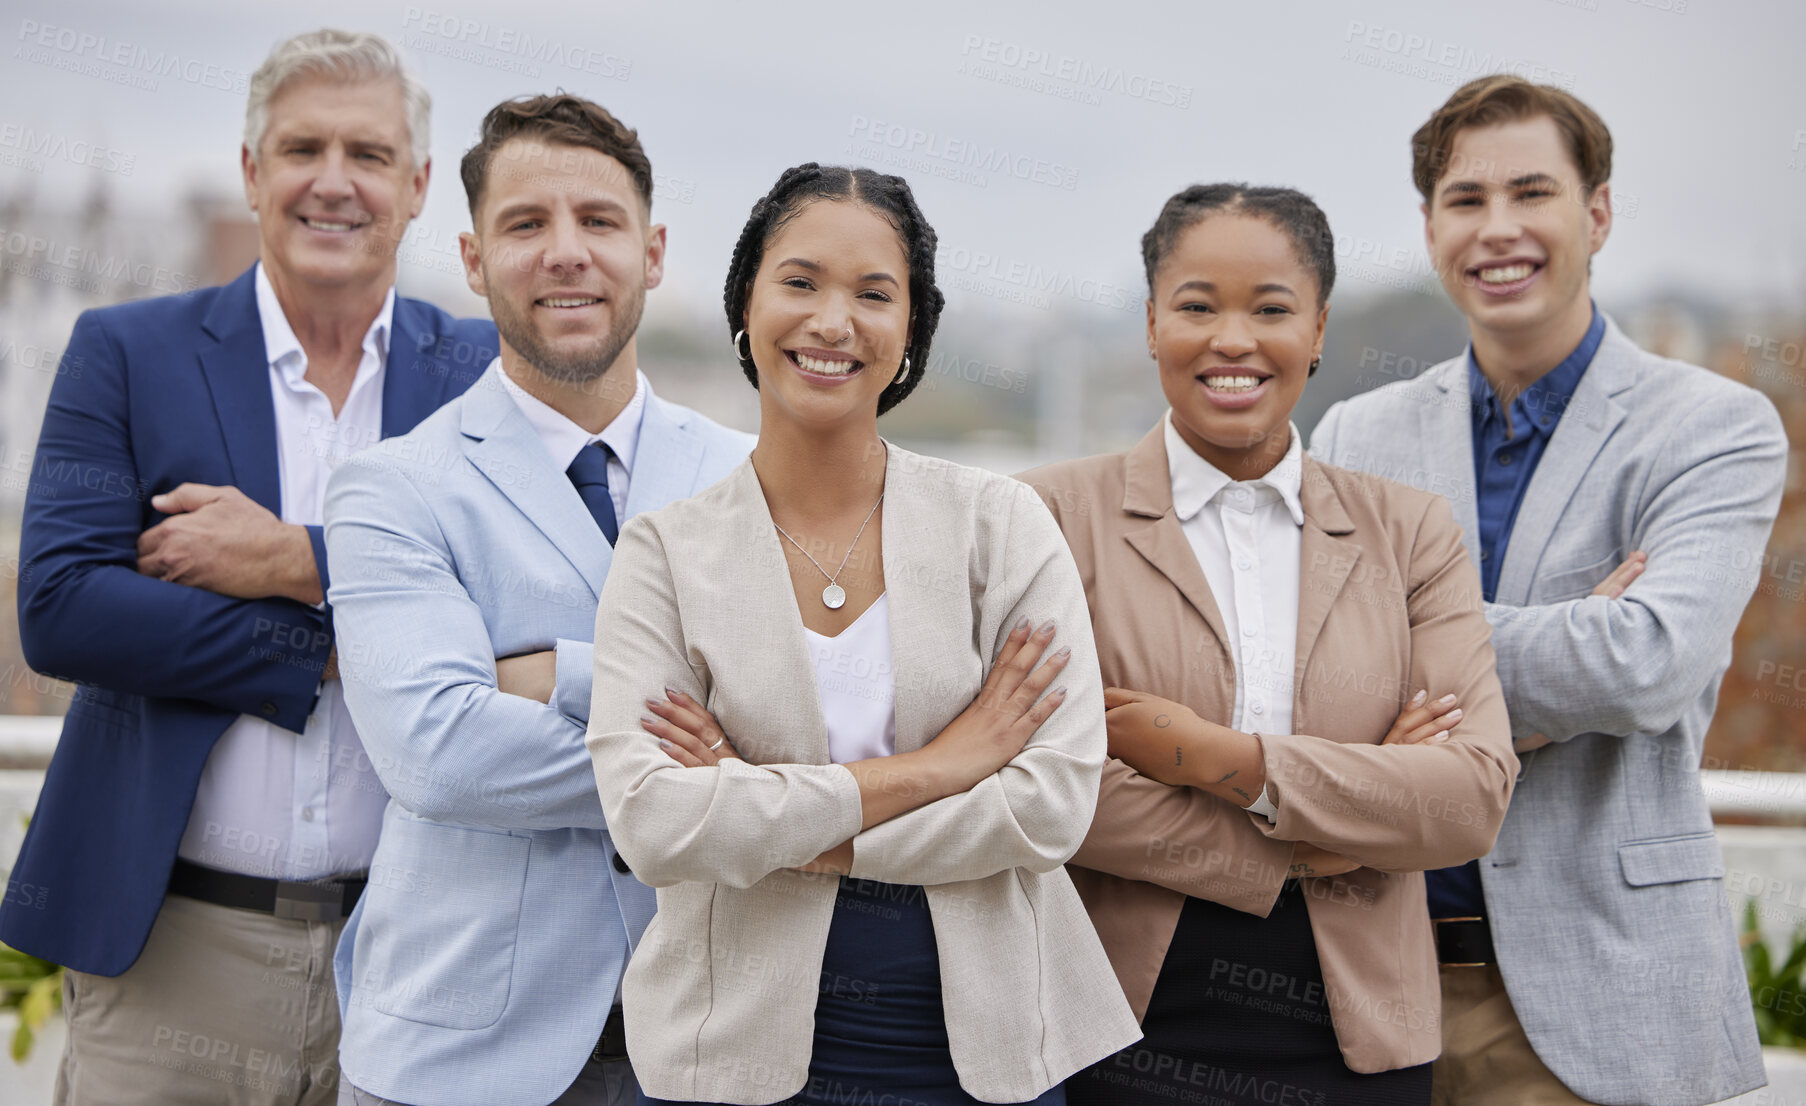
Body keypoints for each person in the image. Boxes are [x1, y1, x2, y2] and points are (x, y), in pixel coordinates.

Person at [2, 30, 495, 1106]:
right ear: (250, 172)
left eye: (366, 154)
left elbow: (519, 613)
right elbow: (62, 608)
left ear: (415, 187)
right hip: (172, 954)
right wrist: (337, 641)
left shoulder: (482, 377)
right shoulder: (125, 351)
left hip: (414, 955)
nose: (333, 181)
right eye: (301, 147)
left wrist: (288, 558)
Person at [582, 163, 1139, 1106]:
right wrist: (940, 766)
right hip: (730, 1049)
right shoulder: (664, 553)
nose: (833, 322)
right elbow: (655, 826)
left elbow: (1050, 806)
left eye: (874, 294)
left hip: (988, 1050)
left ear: (911, 328)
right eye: (799, 283)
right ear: (743, 304)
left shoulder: (1002, 525)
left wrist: (779, 820)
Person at [1311, 75, 1782, 1106]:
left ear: (1597, 212)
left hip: (1598, 999)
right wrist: (1557, 648)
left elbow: (1642, 664)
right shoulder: (1357, 433)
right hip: (1365, 990)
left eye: (1533, 193)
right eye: (1467, 201)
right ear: (1431, 226)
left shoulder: (1714, 427)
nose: (1500, 229)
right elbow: (1304, 678)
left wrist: (1406, 651)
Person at [1020, 183, 1518, 1106]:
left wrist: (1227, 761)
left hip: (1361, 1032)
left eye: (1273, 309)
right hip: (1113, 1023)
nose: (1234, 340)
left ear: (1321, 329)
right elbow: (1045, 784)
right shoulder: (1048, 517)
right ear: (1151, 323)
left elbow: (1469, 797)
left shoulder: (1410, 532)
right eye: (1198, 307)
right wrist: (1324, 837)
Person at [322, 94, 753, 1106]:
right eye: (526, 224)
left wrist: (550, 672)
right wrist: (724, 765)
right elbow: (438, 751)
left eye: (598, 222)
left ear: (651, 252)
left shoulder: (749, 476)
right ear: (474, 260)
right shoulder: (392, 486)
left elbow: (817, 723)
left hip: (704, 1038)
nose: (566, 252)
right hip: (458, 1052)